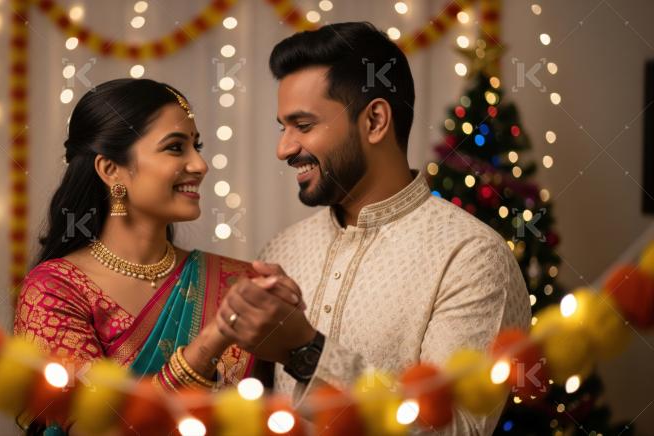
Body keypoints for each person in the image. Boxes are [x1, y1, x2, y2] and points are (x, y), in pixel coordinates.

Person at [214, 22, 532, 434]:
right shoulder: (282, 249)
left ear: (376, 120)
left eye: (303, 125)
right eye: (282, 127)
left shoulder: (470, 256)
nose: (284, 148)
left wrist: (307, 351)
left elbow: (457, 428)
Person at [13, 78, 299, 431]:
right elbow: (94, 428)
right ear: (111, 170)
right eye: (176, 148)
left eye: (198, 146)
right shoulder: (54, 290)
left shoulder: (237, 282)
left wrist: (297, 333)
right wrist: (212, 340)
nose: (200, 165)